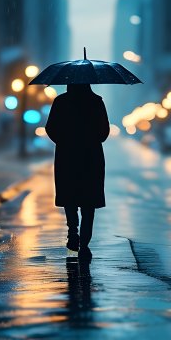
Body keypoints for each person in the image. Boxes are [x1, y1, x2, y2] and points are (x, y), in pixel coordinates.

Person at [45, 84, 110, 258]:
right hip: (91, 156)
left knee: (70, 195)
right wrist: (91, 138)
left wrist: (64, 140)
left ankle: (72, 232)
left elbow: (50, 128)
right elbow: (104, 132)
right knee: (89, 200)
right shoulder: (96, 101)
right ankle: (84, 240)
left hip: (67, 155)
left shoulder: (60, 101)